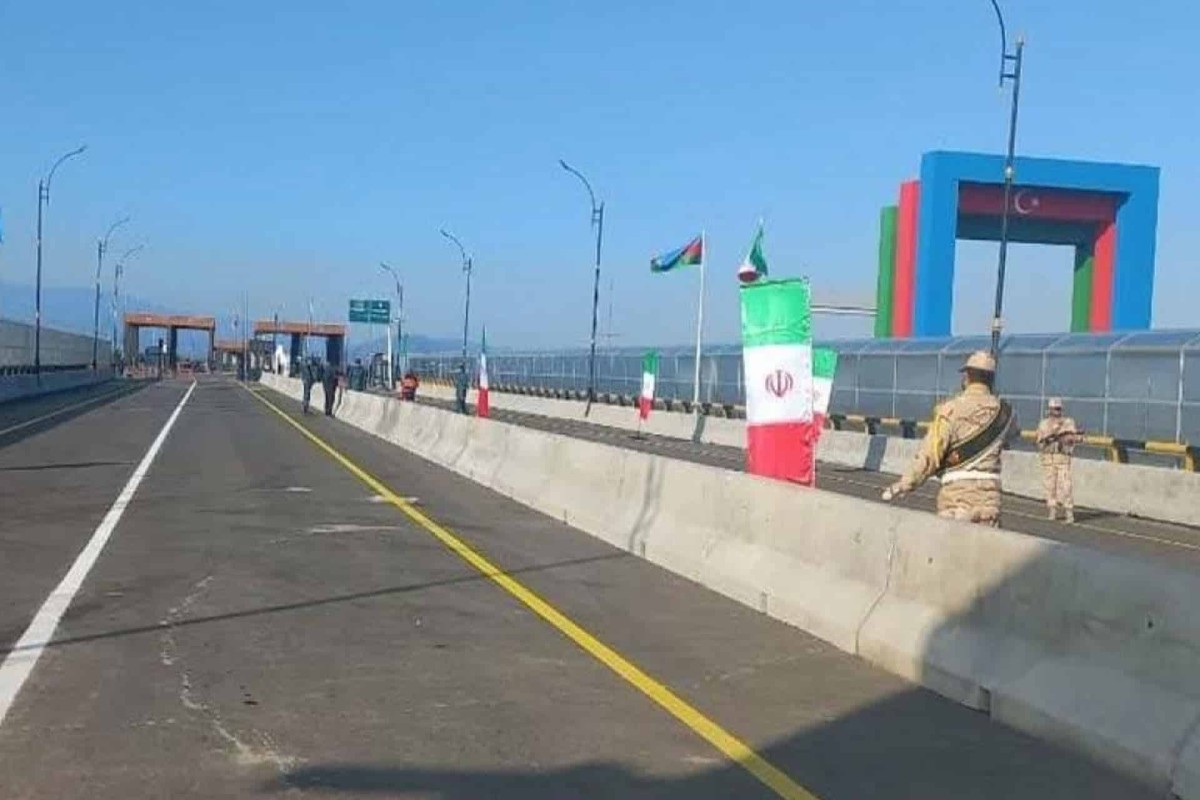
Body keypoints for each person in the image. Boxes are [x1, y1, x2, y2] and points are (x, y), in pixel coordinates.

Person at [882, 350, 1016, 526]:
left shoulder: (950, 410)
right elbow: (1011, 437)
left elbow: (930, 454)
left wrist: (906, 483)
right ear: (991, 379)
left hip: (957, 498)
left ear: (967, 377)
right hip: (990, 500)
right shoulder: (1006, 413)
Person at [1036, 397, 1080, 523]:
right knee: (1050, 486)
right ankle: (1052, 510)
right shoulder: (1044, 424)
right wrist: (1048, 439)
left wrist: (1062, 437)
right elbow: (1039, 442)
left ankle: (1069, 512)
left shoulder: (1068, 423)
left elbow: (1072, 438)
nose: (1056, 412)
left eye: (1058, 409)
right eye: (1053, 409)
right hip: (1049, 458)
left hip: (1062, 457)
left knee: (1066, 485)